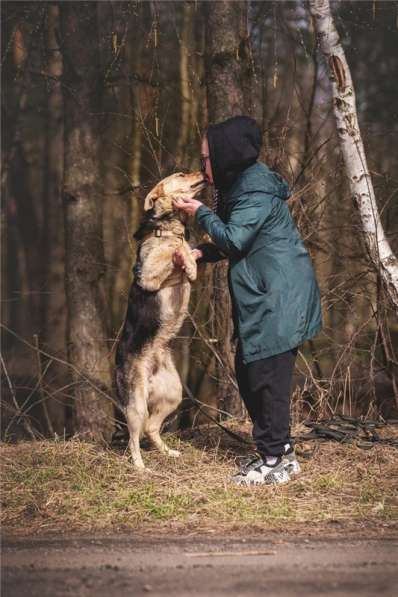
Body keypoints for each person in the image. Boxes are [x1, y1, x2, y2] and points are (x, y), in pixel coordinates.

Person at [173, 115, 322, 486]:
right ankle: (279, 451)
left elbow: (236, 239)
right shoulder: (239, 187)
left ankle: (274, 461)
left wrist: (200, 213)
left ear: (225, 156)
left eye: (206, 157)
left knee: (266, 377)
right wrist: (199, 254)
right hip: (265, 293)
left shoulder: (254, 191)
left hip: (279, 296)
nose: (202, 163)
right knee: (248, 370)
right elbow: (233, 240)